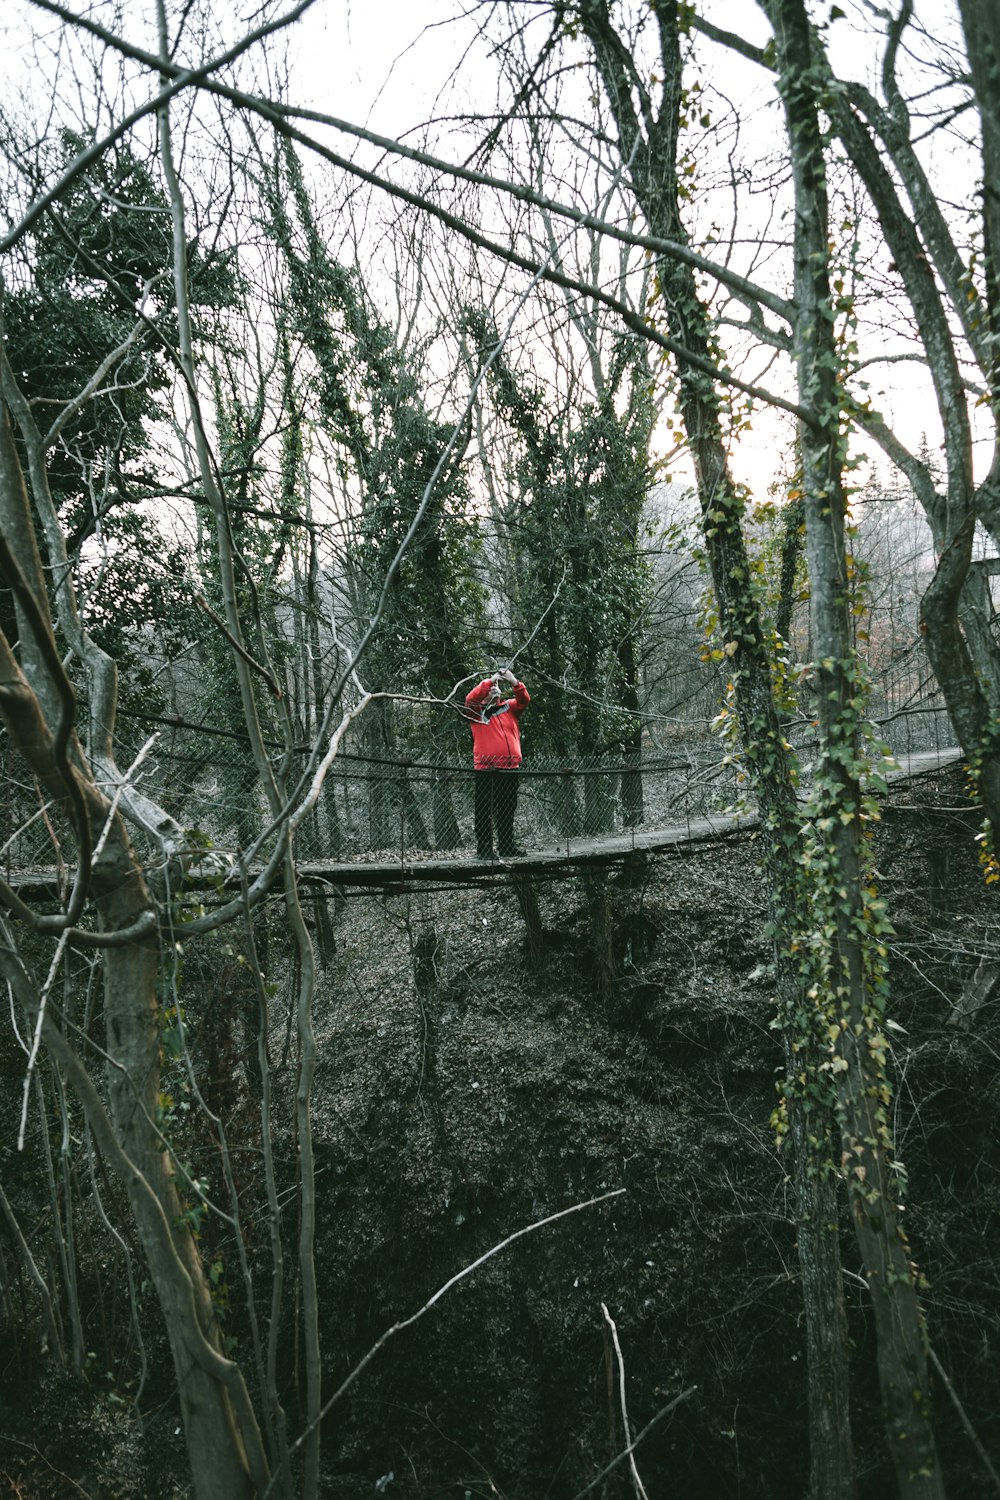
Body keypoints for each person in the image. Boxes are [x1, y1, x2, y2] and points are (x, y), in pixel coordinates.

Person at [464, 668, 530, 859]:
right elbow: (470, 699)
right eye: (492, 688)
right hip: (487, 769)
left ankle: (507, 846)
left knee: (507, 809)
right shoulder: (476, 713)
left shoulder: (509, 708)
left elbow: (524, 700)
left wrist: (514, 681)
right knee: (484, 811)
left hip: (510, 768)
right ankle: (484, 849)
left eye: (497, 687)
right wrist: (490, 681)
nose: (495, 689)